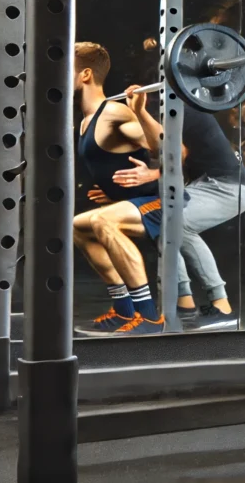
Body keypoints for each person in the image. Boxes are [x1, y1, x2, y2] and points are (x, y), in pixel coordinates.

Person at [116, 80, 245, 331]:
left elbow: (174, 152)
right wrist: (139, 112)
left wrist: (154, 173)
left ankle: (221, 307)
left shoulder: (185, 109)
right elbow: (158, 148)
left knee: (175, 226)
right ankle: (186, 306)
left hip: (231, 188)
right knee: (162, 225)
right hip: (209, 183)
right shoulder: (172, 107)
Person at [71, 42, 168, 336]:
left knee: (102, 220)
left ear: (86, 74)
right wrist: (116, 195)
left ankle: (150, 318)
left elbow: (167, 148)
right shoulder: (87, 121)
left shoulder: (114, 112)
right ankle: (126, 312)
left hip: (163, 202)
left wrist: (139, 112)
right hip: (136, 204)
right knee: (78, 226)